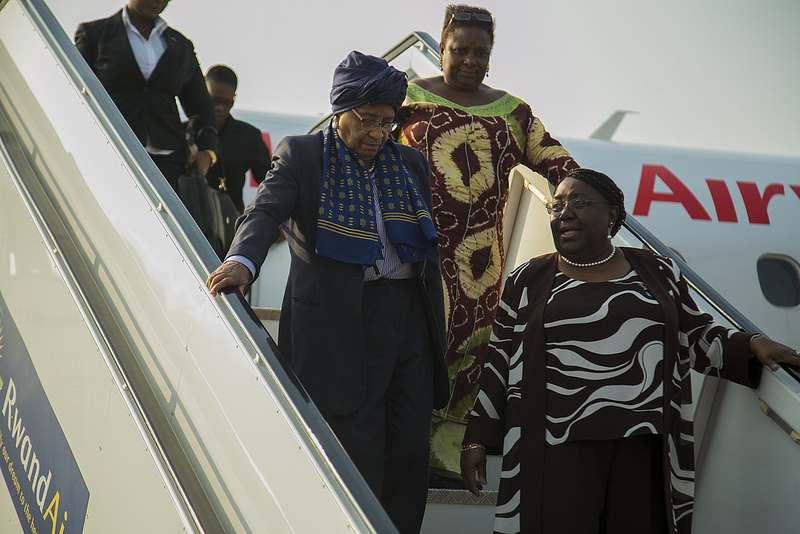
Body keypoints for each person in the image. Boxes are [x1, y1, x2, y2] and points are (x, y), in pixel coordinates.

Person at [459, 168, 800, 534]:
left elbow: (696, 333)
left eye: (578, 202)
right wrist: (477, 437)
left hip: (643, 444)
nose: (564, 213)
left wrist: (750, 344)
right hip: (557, 446)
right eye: (556, 206)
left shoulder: (657, 271)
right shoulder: (529, 279)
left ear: (612, 215)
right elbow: (500, 359)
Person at [206, 51, 449, 534]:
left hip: (408, 323)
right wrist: (240, 261)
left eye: (387, 122)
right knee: (355, 449)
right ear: (341, 111)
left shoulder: (411, 163)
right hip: (342, 321)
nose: (379, 133)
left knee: (407, 449)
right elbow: (264, 211)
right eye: (368, 121)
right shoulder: (304, 155)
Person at [394, 4, 579, 484]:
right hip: (414, 253)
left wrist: (580, 203)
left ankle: (446, 458)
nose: (471, 60)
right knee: (412, 343)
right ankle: (399, 447)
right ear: (442, 48)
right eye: (461, 50)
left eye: (482, 51)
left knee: (470, 349)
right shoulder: (405, 99)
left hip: (481, 261)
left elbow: (557, 162)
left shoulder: (513, 112)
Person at [74, 0, 217, 191]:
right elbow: (74, 96)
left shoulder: (181, 45)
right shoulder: (94, 35)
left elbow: (201, 107)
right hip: (111, 154)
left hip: (168, 165)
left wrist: (208, 152)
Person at [197, 64, 271, 213]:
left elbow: (270, 183)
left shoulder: (249, 136)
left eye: (227, 103)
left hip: (229, 224)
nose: (220, 108)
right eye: (214, 100)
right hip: (186, 219)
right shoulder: (184, 132)